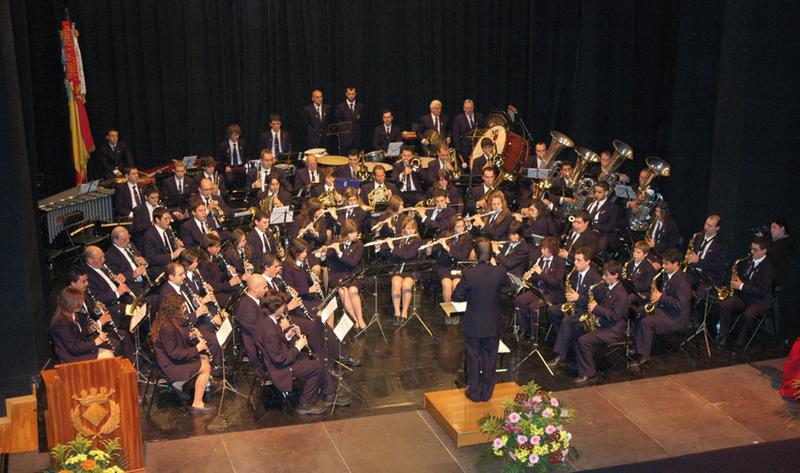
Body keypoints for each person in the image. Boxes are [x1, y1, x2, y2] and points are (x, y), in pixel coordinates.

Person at [252, 291, 349, 414]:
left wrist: (287, 335)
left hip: (277, 361)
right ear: (277, 308)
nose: (284, 308)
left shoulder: (266, 319)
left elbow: (275, 343)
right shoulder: (269, 329)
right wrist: (297, 347)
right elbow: (280, 359)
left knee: (316, 358)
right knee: (317, 367)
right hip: (279, 369)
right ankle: (305, 404)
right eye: (283, 305)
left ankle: (329, 394)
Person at [452, 237, 509, 402]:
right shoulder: (500, 271)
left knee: (473, 357)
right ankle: (487, 393)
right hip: (493, 323)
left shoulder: (470, 273)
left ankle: (474, 392)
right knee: (490, 358)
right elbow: (509, 287)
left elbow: (457, 297)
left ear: (476, 254)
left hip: (474, 323)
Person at [151, 293, 213, 414]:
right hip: (170, 366)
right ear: (174, 309)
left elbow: (174, 339)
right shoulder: (167, 327)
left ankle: (187, 384)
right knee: (205, 366)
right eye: (182, 307)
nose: (184, 310)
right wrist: (197, 348)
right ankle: (197, 404)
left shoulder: (165, 319)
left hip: (169, 360)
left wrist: (188, 335)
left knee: (204, 358)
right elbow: (175, 353)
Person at [631, 249, 692, 368]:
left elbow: (680, 305)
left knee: (646, 322)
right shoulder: (666, 274)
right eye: (663, 263)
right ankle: (639, 347)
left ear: (676, 264)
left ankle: (645, 356)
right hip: (665, 310)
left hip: (675, 318)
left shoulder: (682, 282)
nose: (663, 266)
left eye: (666, 264)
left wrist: (661, 297)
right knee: (639, 313)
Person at [573, 260, 630, 384]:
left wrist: (596, 308)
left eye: (606, 275)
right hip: (605, 324)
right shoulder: (610, 288)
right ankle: (581, 364)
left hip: (614, 330)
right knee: (578, 328)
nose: (603, 277)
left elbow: (615, 316)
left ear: (615, 275)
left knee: (584, 340)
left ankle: (589, 373)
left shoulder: (621, 294)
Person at [717, 237, 774, 350]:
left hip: (759, 302)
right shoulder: (749, 261)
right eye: (751, 249)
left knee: (748, 315)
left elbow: (762, 292)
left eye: (755, 250)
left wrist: (742, 286)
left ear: (764, 251)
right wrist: (737, 284)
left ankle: (740, 343)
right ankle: (723, 337)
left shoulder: (768, 268)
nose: (751, 252)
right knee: (725, 304)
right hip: (745, 297)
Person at [514, 236, 566, 339]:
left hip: (552, 293)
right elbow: (536, 279)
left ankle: (535, 335)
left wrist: (541, 273)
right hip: (538, 290)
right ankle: (525, 330)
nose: (542, 250)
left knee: (533, 306)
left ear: (552, 250)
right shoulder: (540, 260)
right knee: (520, 300)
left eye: (545, 249)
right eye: (542, 248)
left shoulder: (559, 262)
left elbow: (555, 282)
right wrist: (528, 277)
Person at [546, 247, 602, 335]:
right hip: (574, 306)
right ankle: (563, 336)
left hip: (584, 310)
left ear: (587, 262)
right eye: (575, 259)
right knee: (552, 310)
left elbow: (598, 301)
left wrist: (578, 298)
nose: (575, 262)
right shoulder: (574, 273)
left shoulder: (596, 278)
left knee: (566, 320)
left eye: (579, 260)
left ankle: (563, 341)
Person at [428, 216, 473, 324]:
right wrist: (431, 246)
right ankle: (450, 312)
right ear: (452, 227)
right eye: (458, 227)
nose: (461, 229)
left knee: (456, 284)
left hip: (458, 268)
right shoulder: (444, 235)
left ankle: (455, 312)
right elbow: (434, 252)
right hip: (444, 267)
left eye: (462, 226)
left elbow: (462, 256)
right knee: (447, 285)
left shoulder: (467, 237)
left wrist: (448, 248)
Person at [51, 287, 114, 363]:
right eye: (79, 302)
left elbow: (82, 333)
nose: (81, 303)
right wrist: (95, 342)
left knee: (109, 352)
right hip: (71, 358)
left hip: (77, 352)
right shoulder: (62, 323)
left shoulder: (74, 314)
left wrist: (96, 326)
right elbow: (73, 348)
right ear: (70, 303)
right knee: (108, 357)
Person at [323, 220, 366, 330]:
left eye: (355, 232)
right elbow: (328, 260)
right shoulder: (335, 242)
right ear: (345, 234)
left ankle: (360, 319)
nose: (354, 235)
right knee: (343, 291)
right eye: (351, 233)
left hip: (354, 275)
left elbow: (353, 263)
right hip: (338, 275)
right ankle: (353, 320)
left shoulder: (359, 245)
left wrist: (339, 253)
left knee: (352, 290)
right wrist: (324, 254)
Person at [381, 217, 423, 326]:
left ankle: (404, 312)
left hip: (411, 270)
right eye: (408, 229)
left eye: (412, 229)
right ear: (403, 229)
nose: (410, 231)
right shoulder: (398, 238)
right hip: (398, 269)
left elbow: (408, 255)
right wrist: (379, 247)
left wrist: (393, 248)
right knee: (396, 283)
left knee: (406, 285)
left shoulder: (418, 241)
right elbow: (386, 254)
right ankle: (397, 312)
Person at [140, 207, 184, 278]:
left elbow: (170, 249)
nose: (169, 221)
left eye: (169, 218)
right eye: (165, 219)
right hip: (158, 268)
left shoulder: (168, 231)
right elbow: (151, 259)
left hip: (170, 264)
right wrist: (172, 255)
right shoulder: (149, 235)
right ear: (157, 220)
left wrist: (177, 246)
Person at [625, 240, 656, 310]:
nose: (635, 254)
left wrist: (633, 285)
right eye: (634, 251)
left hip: (641, 293)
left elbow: (647, 286)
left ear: (645, 254)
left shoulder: (649, 268)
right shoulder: (630, 264)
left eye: (638, 252)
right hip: (630, 290)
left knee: (627, 298)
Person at [335, 86, 363, 153]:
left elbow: (361, 123)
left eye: (353, 94)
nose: (351, 96)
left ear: (355, 94)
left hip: (356, 140)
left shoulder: (360, 106)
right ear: (346, 94)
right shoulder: (340, 107)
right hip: (345, 140)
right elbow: (338, 122)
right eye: (349, 94)